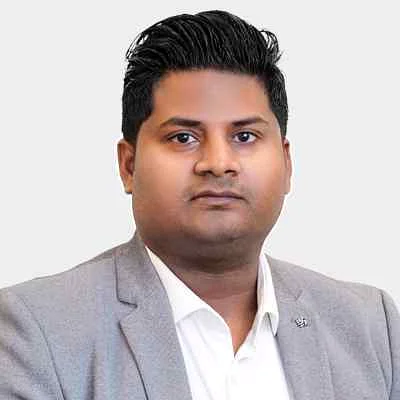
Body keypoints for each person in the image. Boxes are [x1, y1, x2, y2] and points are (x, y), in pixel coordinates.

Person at [0, 9, 399, 400]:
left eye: (244, 136)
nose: (218, 163)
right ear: (129, 165)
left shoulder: (370, 326)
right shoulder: (38, 330)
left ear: (286, 162)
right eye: (183, 138)